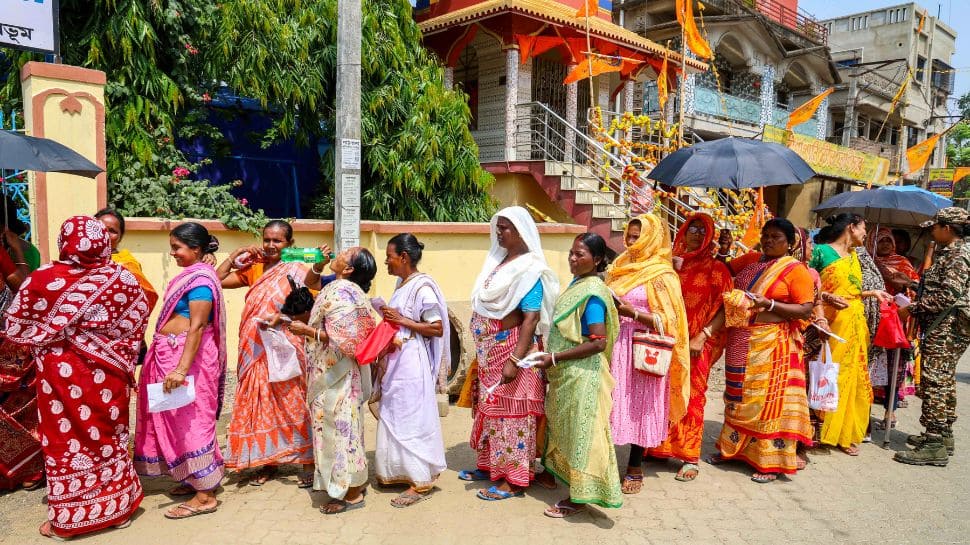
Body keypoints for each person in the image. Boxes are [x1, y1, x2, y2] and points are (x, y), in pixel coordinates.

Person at [5, 216, 149, 539]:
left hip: (61, 380)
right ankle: (118, 508)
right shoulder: (122, 280)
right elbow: (139, 318)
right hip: (109, 378)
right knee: (108, 437)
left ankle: (70, 518)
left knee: (65, 442)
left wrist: (56, 334)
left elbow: (16, 324)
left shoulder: (44, 280)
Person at [460, 206, 558, 500]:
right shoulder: (498, 262)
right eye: (498, 227)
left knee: (514, 415)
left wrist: (515, 360)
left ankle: (513, 480)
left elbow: (530, 318)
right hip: (490, 351)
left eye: (505, 227)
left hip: (515, 351)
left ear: (521, 232)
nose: (499, 232)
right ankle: (492, 466)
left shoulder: (530, 270)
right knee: (491, 410)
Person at [707, 218, 815, 483]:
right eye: (765, 235)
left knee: (768, 402)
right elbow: (722, 270)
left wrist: (769, 304)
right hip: (740, 337)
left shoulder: (795, 269)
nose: (768, 240)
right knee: (737, 395)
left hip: (772, 343)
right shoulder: (753, 259)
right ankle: (732, 450)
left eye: (776, 236)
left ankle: (769, 462)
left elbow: (805, 309)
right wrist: (723, 248)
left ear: (790, 243)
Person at [134, 222, 228, 519]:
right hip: (169, 355)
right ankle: (192, 477)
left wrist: (181, 369)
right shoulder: (196, 275)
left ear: (196, 249)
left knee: (193, 420)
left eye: (177, 248)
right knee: (175, 418)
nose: (172, 253)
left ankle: (205, 496)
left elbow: (198, 327)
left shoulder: (200, 281)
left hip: (189, 362)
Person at [216, 221, 313, 486]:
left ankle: (307, 460)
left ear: (289, 244)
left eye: (277, 241)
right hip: (254, 345)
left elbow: (307, 310)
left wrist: (281, 317)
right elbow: (217, 280)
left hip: (285, 343)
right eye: (267, 239)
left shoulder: (300, 269)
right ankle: (265, 461)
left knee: (292, 399)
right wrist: (233, 258)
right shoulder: (255, 268)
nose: (270, 245)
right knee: (259, 400)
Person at [531, 232, 620, 517]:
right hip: (569, 375)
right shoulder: (579, 284)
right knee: (570, 432)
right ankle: (568, 482)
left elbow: (598, 341)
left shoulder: (592, 293)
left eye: (579, 255)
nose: (572, 258)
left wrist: (554, 357)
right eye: (571, 253)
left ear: (596, 260)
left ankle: (580, 498)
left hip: (585, 376)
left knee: (585, 436)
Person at [286, 247, 377, 514]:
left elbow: (344, 338)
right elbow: (311, 283)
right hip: (336, 372)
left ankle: (350, 492)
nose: (338, 253)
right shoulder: (342, 287)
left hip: (336, 373)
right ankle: (343, 483)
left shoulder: (342, 291)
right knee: (340, 428)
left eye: (344, 253)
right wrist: (319, 263)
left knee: (338, 430)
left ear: (348, 269)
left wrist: (307, 331)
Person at [604, 214, 690, 494]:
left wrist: (633, 313)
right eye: (629, 235)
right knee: (613, 403)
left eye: (637, 236)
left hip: (646, 348)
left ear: (651, 238)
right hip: (616, 345)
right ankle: (602, 466)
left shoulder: (663, 275)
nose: (631, 241)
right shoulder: (619, 266)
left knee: (641, 406)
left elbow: (672, 322)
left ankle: (635, 468)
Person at [647, 213, 732, 483]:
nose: (695, 233)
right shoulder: (669, 266)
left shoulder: (717, 270)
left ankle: (688, 456)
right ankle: (657, 446)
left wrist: (703, 336)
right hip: (665, 341)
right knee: (660, 392)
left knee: (692, 397)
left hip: (696, 345)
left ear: (709, 237)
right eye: (691, 228)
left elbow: (726, 309)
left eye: (701, 230)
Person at [375, 233, 449, 507]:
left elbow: (437, 328)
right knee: (395, 412)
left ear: (404, 257)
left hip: (411, 361)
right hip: (397, 358)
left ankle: (419, 481)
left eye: (390, 258)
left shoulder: (423, 288)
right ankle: (396, 471)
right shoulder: (402, 284)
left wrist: (402, 319)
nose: (387, 263)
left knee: (411, 415)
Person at [809, 214, 890, 455]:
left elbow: (851, 292)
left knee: (852, 375)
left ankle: (844, 433)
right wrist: (821, 308)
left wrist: (872, 293)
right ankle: (819, 430)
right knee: (826, 373)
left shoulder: (854, 256)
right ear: (851, 227)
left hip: (854, 323)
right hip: (827, 323)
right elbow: (808, 284)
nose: (865, 234)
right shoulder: (821, 252)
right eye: (863, 228)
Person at [896, 207, 970, 466]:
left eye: (935, 227)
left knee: (935, 381)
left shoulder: (957, 255)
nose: (932, 232)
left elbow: (947, 296)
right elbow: (943, 288)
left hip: (946, 327)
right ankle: (944, 434)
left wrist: (911, 309)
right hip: (947, 325)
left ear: (947, 228)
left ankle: (934, 443)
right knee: (945, 379)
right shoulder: (951, 253)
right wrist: (914, 284)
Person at [0, 229, 36, 493]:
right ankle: (25, 470)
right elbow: (23, 287)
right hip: (7, 346)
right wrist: (19, 253)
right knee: (21, 399)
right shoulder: (7, 252)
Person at [95, 208, 158, 310]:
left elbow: (144, 298)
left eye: (112, 231)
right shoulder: (77, 259)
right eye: (101, 228)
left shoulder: (127, 264)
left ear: (120, 237)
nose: (105, 234)